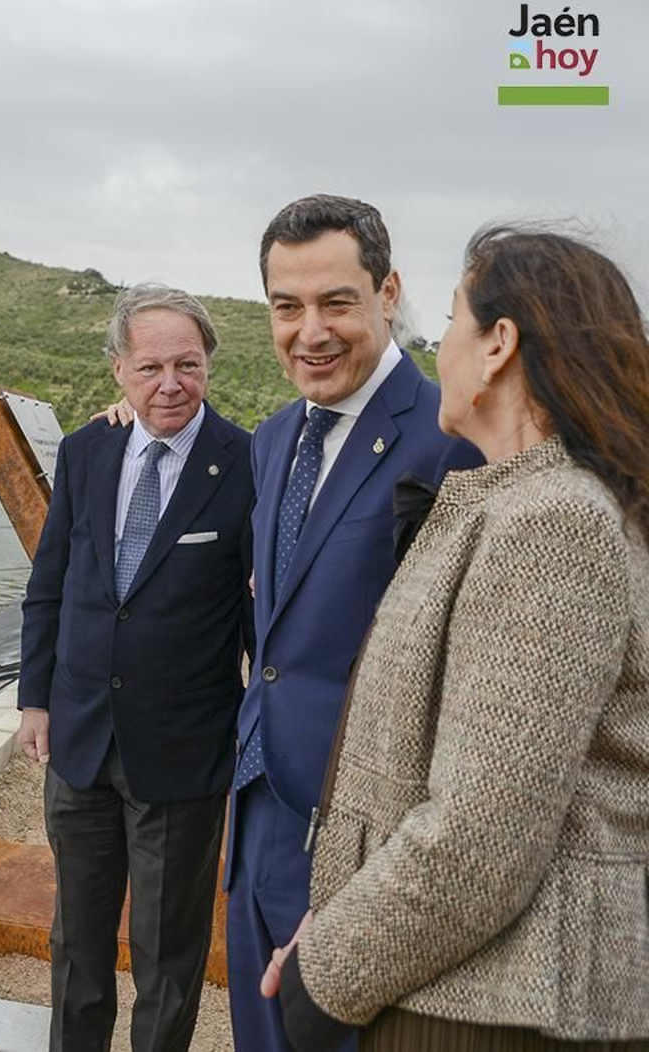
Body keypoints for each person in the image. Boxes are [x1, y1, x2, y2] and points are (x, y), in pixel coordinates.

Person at [264, 226, 649, 1051]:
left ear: (500, 344)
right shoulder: (526, 503)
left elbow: (483, 837)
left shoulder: (554, 523)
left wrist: (324, 972)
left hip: (496, 1006)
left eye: (450, 325)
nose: (439, 351)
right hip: (461, 977)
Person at [223, 194, 485, 1052]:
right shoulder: (270, 441)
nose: (311, 331)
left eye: (336, 302)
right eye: (286, 307)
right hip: (260, 799)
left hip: (365, 829)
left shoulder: (452, 440)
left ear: (389, 292)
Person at [18, 283, 255, 1052]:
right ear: (119, 369)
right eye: (150, 366)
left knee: (167, 956)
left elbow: (260, 621)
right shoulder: (87, 452)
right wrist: (36, 701)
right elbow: (51, 584)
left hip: (183, 754)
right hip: (81, 741)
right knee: (76, 944)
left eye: (187, 364)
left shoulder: (248, 463)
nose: (170, 384)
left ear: (209, 367)